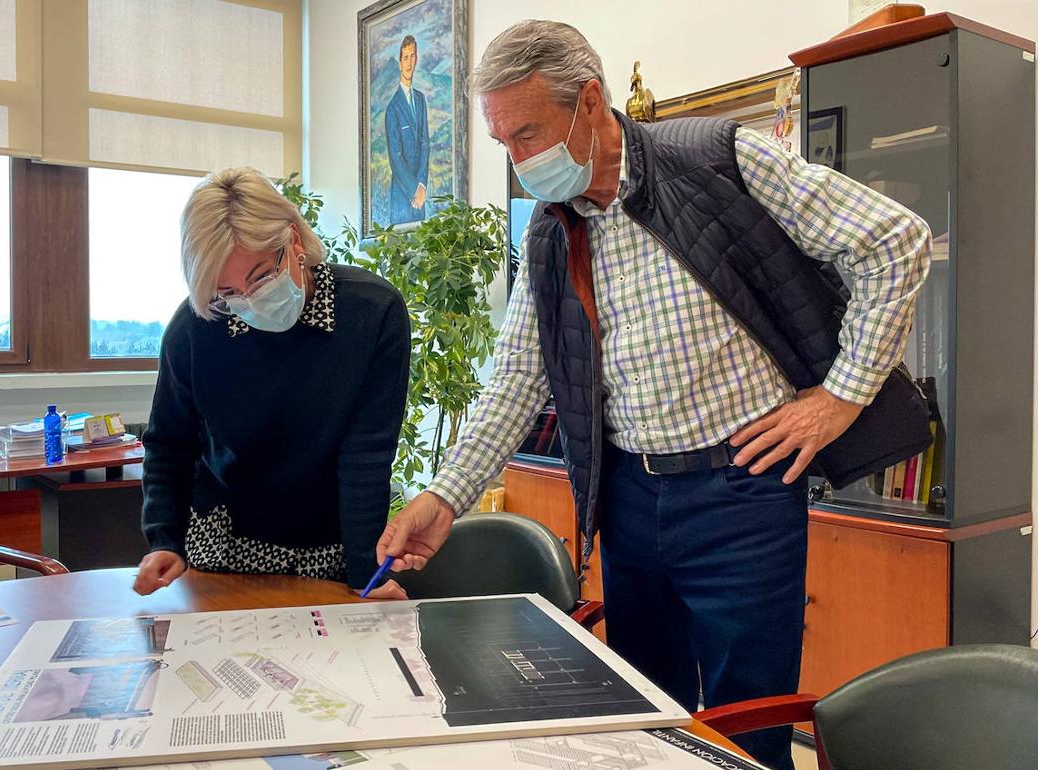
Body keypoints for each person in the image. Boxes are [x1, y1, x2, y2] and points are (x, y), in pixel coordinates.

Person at [375, 20, 930, 770]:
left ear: (591, 100)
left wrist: (840, 397)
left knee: (745, 725)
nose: (517, 160)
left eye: (528, 133)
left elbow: (894, 241)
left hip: (743, 491)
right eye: (503, 142)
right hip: (629, 499)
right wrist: (442, 497)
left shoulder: (717, 158)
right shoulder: (551, 232)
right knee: (645, 719)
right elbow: (516, 378)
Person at [135, 167, 410, 598]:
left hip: (331, 548)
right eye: (227, 292)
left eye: (261, 276)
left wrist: (365, 579)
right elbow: (170, 443)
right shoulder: (196, 326)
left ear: (294, 240)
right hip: (223, 549)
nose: (249, 300)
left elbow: (365, 458)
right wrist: (165, 539)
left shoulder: (371, 312)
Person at [384, 34, 430, 225]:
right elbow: (396, 157)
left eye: (412, 56)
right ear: (399, 64)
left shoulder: (420, 100)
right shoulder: (392, 108)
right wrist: (413, 190)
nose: (409, 63)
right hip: (403, 196)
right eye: (405, 58)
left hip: (419, 194)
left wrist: (421, 185)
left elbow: (425, 144)